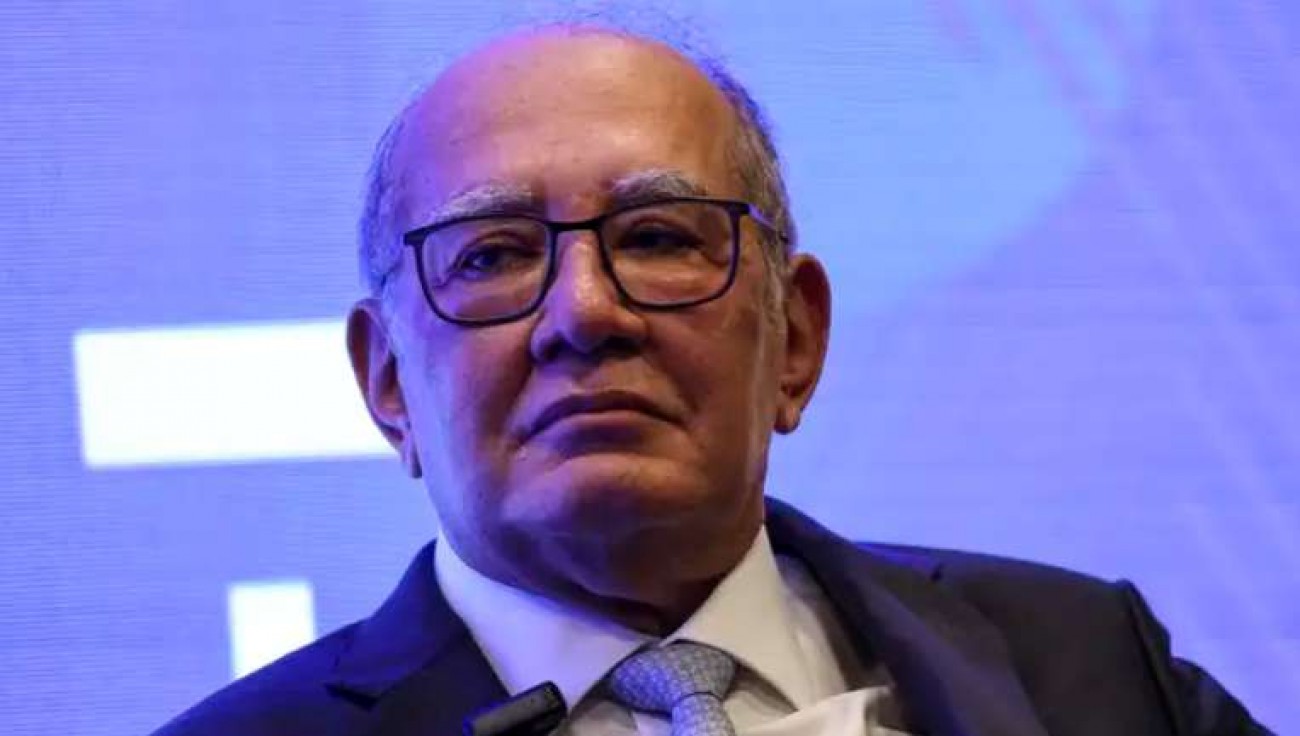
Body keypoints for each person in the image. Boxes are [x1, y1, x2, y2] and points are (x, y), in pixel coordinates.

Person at [153, 18, 1272, 736]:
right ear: (388, 382)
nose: (584, 314)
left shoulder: (1086, 666)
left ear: (796, 338)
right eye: (492, 257)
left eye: (657, 238)